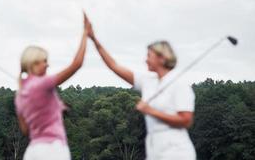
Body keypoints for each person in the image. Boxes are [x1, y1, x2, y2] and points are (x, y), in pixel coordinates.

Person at [86, 16, 196, 160]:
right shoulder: (147, 80)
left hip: (176, 151)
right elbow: (114, 66)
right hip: (154, 148)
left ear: (162, 58)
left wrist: (151, 111)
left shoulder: (180, 85)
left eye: (149, 56)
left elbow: (186, 120)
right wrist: (94, 40)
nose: (145, 59)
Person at [14, 12, 92, 160]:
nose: (47, 64)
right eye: (44, 61)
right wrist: (85, 33)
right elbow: (77, 64)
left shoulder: (19, 95)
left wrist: (54, 108)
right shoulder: (43, 83)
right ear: (33, 63)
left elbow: (25, 130)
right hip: (53, 150)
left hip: (32, 152)